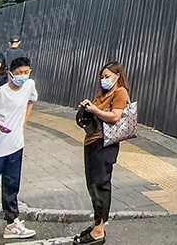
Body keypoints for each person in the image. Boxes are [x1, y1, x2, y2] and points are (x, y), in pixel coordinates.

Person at [0, 56, 38, 244]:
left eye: (25, 72)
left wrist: (23, 123)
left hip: (16, 145)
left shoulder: (29, 85)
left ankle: (12, 224)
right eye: (18, 73)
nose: (22, 76)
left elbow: (31, 100)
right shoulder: (0, 93)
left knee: (12, 184)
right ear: (10, 74)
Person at [75, 63, 130, 244]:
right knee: (93, 185)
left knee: (100, 184)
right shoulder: (102, 93)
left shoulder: (120, 92)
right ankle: (96, 223)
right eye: (102, 77)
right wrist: (87, 108)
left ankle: (99, 230)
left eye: (107, 76)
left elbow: (115, 116)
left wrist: (95, 110)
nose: (103, 80)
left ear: (117, 75)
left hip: (105, 144)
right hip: (92, 142)